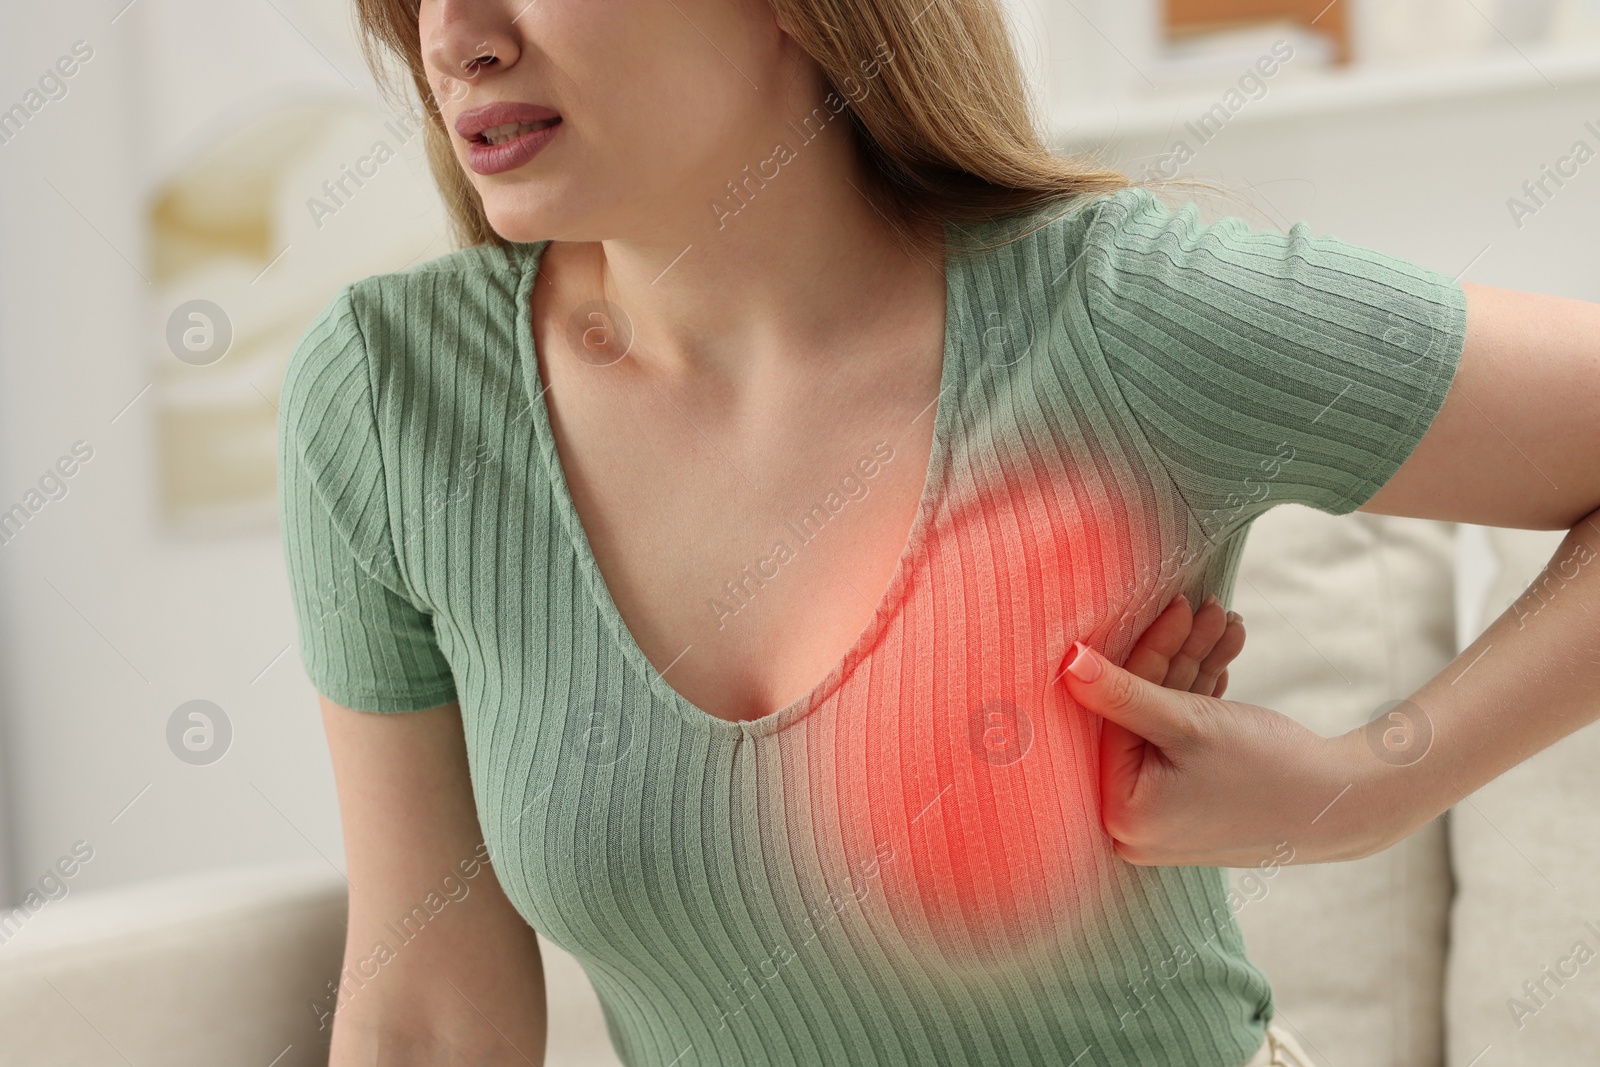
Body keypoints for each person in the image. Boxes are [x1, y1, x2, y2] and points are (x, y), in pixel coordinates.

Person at [277, 1, 1600, 1064]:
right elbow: (427, 1022)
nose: (454, 33)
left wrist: (1366, 789)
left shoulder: (1125, 311)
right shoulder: (397, 401)